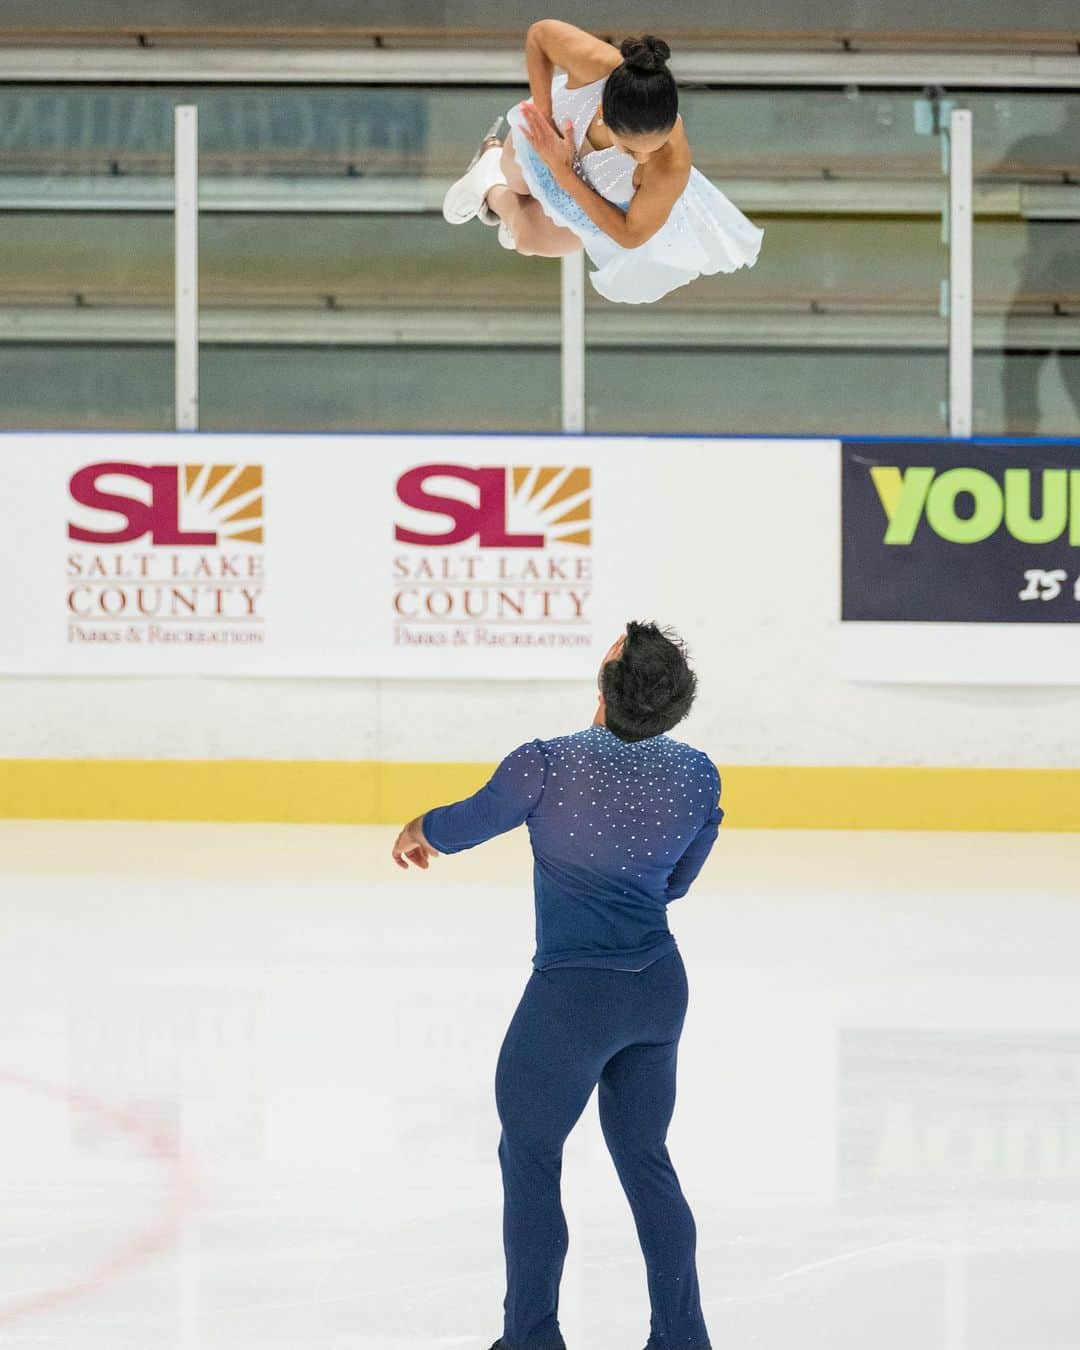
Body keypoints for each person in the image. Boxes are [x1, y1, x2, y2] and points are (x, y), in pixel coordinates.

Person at [392, 621, 723, 1350]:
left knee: (533, 1158)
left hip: (572, 1002)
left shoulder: (544, 765)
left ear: (605, 687)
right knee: (646, 1158)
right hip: (657, 989)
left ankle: (531, 1339)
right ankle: (683, 1339)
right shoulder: (699, 774)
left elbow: (462, 826)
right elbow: (677, 884)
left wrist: (418, 826)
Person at [440, 20, 763, 305]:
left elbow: (630, 235)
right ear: (605, 115)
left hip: (597, 200)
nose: (644, 159)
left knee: (526, 240)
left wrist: (565, 173)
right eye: (631, 149)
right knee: (518, 181)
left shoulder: (669, 165)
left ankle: (490, 188)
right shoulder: (597, 65)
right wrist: (546, 119)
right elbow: (540, 34)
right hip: (547, 142)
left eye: (655, 146)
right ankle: (494, 161)